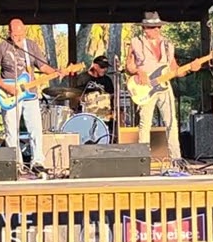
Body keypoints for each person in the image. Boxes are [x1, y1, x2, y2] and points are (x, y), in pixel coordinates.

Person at [0, 18, 59, 172]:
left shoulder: (31, 46)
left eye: (22, 34)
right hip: (9, 94)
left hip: (30, 94)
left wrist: (57, 72)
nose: (19, 37)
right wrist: (5, 87)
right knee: (11, 130)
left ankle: (37, 162)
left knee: (36, 128)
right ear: (9, 33)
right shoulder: (2, 47)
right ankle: (15, 163)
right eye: (16, 35)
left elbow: (43, 66)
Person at [125, 11, 194, 168]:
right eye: (151, 27)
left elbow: (174, 68)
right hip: (144, 87)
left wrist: (190, 68)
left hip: (164, 86)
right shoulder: (135, 42)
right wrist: (138, 71)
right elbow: (128, 66)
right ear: (144, 28)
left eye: (157, 27)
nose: (155, 30)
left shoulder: (168, 44)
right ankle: (143, 160)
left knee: (171, 122)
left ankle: (176, 160)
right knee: (145, 123)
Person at [75, 54, 115, 120]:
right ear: (95, 66)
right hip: (87, 114)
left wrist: (114, 111)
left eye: (106, 67)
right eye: (102, 67)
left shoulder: (107, 80)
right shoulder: (83, 78)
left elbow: (112, 97)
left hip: (104, 115)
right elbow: (76, 95)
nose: (105, 69)